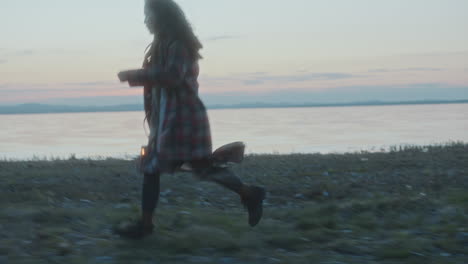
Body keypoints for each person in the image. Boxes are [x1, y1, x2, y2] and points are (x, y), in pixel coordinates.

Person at [116, 0, 265, 239]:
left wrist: (136, 75)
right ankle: (249, 193)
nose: (146, 21)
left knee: (186, 167)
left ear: (162, 16)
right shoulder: (162, 44)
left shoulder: (179, 45)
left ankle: (249, 193)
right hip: (168, 119)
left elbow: (173, 77)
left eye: (148, 15)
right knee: (163, 168)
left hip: (183, 119)